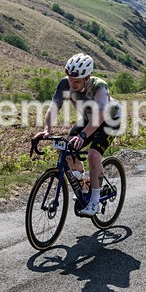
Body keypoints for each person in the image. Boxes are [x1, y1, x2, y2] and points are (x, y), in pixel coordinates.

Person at [35, 53, 121, 216]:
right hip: (89, 119)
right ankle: (84, 183)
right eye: (70, 79)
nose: (72, 84)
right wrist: (47, 129)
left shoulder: (99, 86)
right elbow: (54, 108)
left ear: (87, 77)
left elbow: (100, 118)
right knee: (67, 150)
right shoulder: (64, 84)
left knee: (93, 155)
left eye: (77, 81)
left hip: (110, 119)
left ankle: (94, 200)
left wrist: (82, 136)